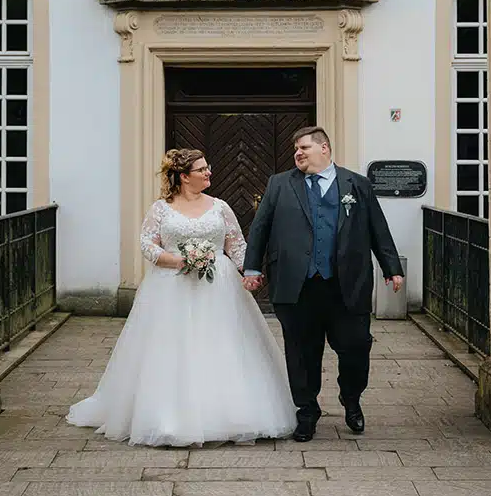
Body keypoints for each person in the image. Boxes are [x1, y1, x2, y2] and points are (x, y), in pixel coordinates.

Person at [67, 148, 296, 447]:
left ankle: (230, 413)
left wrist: (248, 272)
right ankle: (169, 416)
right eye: (201, 169)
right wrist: (177, 261)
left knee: (223, 343)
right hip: (170, 286)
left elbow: (236, 244)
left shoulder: (221, 207)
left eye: (208, 168)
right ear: (184, 177)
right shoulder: (160, 209)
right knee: (171, 348)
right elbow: (147, 243)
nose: (208, 173)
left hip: (219, 287)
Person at [243, 126, 404, 443]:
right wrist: (251, 266)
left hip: (347, 284)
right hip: (296, 284)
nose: (298, 153)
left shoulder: (356, 185)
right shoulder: (280, 184)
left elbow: (377, 228)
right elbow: (260, 227)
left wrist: (391, 267)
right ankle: (306, 412)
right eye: (295, 149)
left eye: (303, 147)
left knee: (356, 346)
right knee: (301, 353)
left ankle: (351, 397)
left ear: (325, 149)